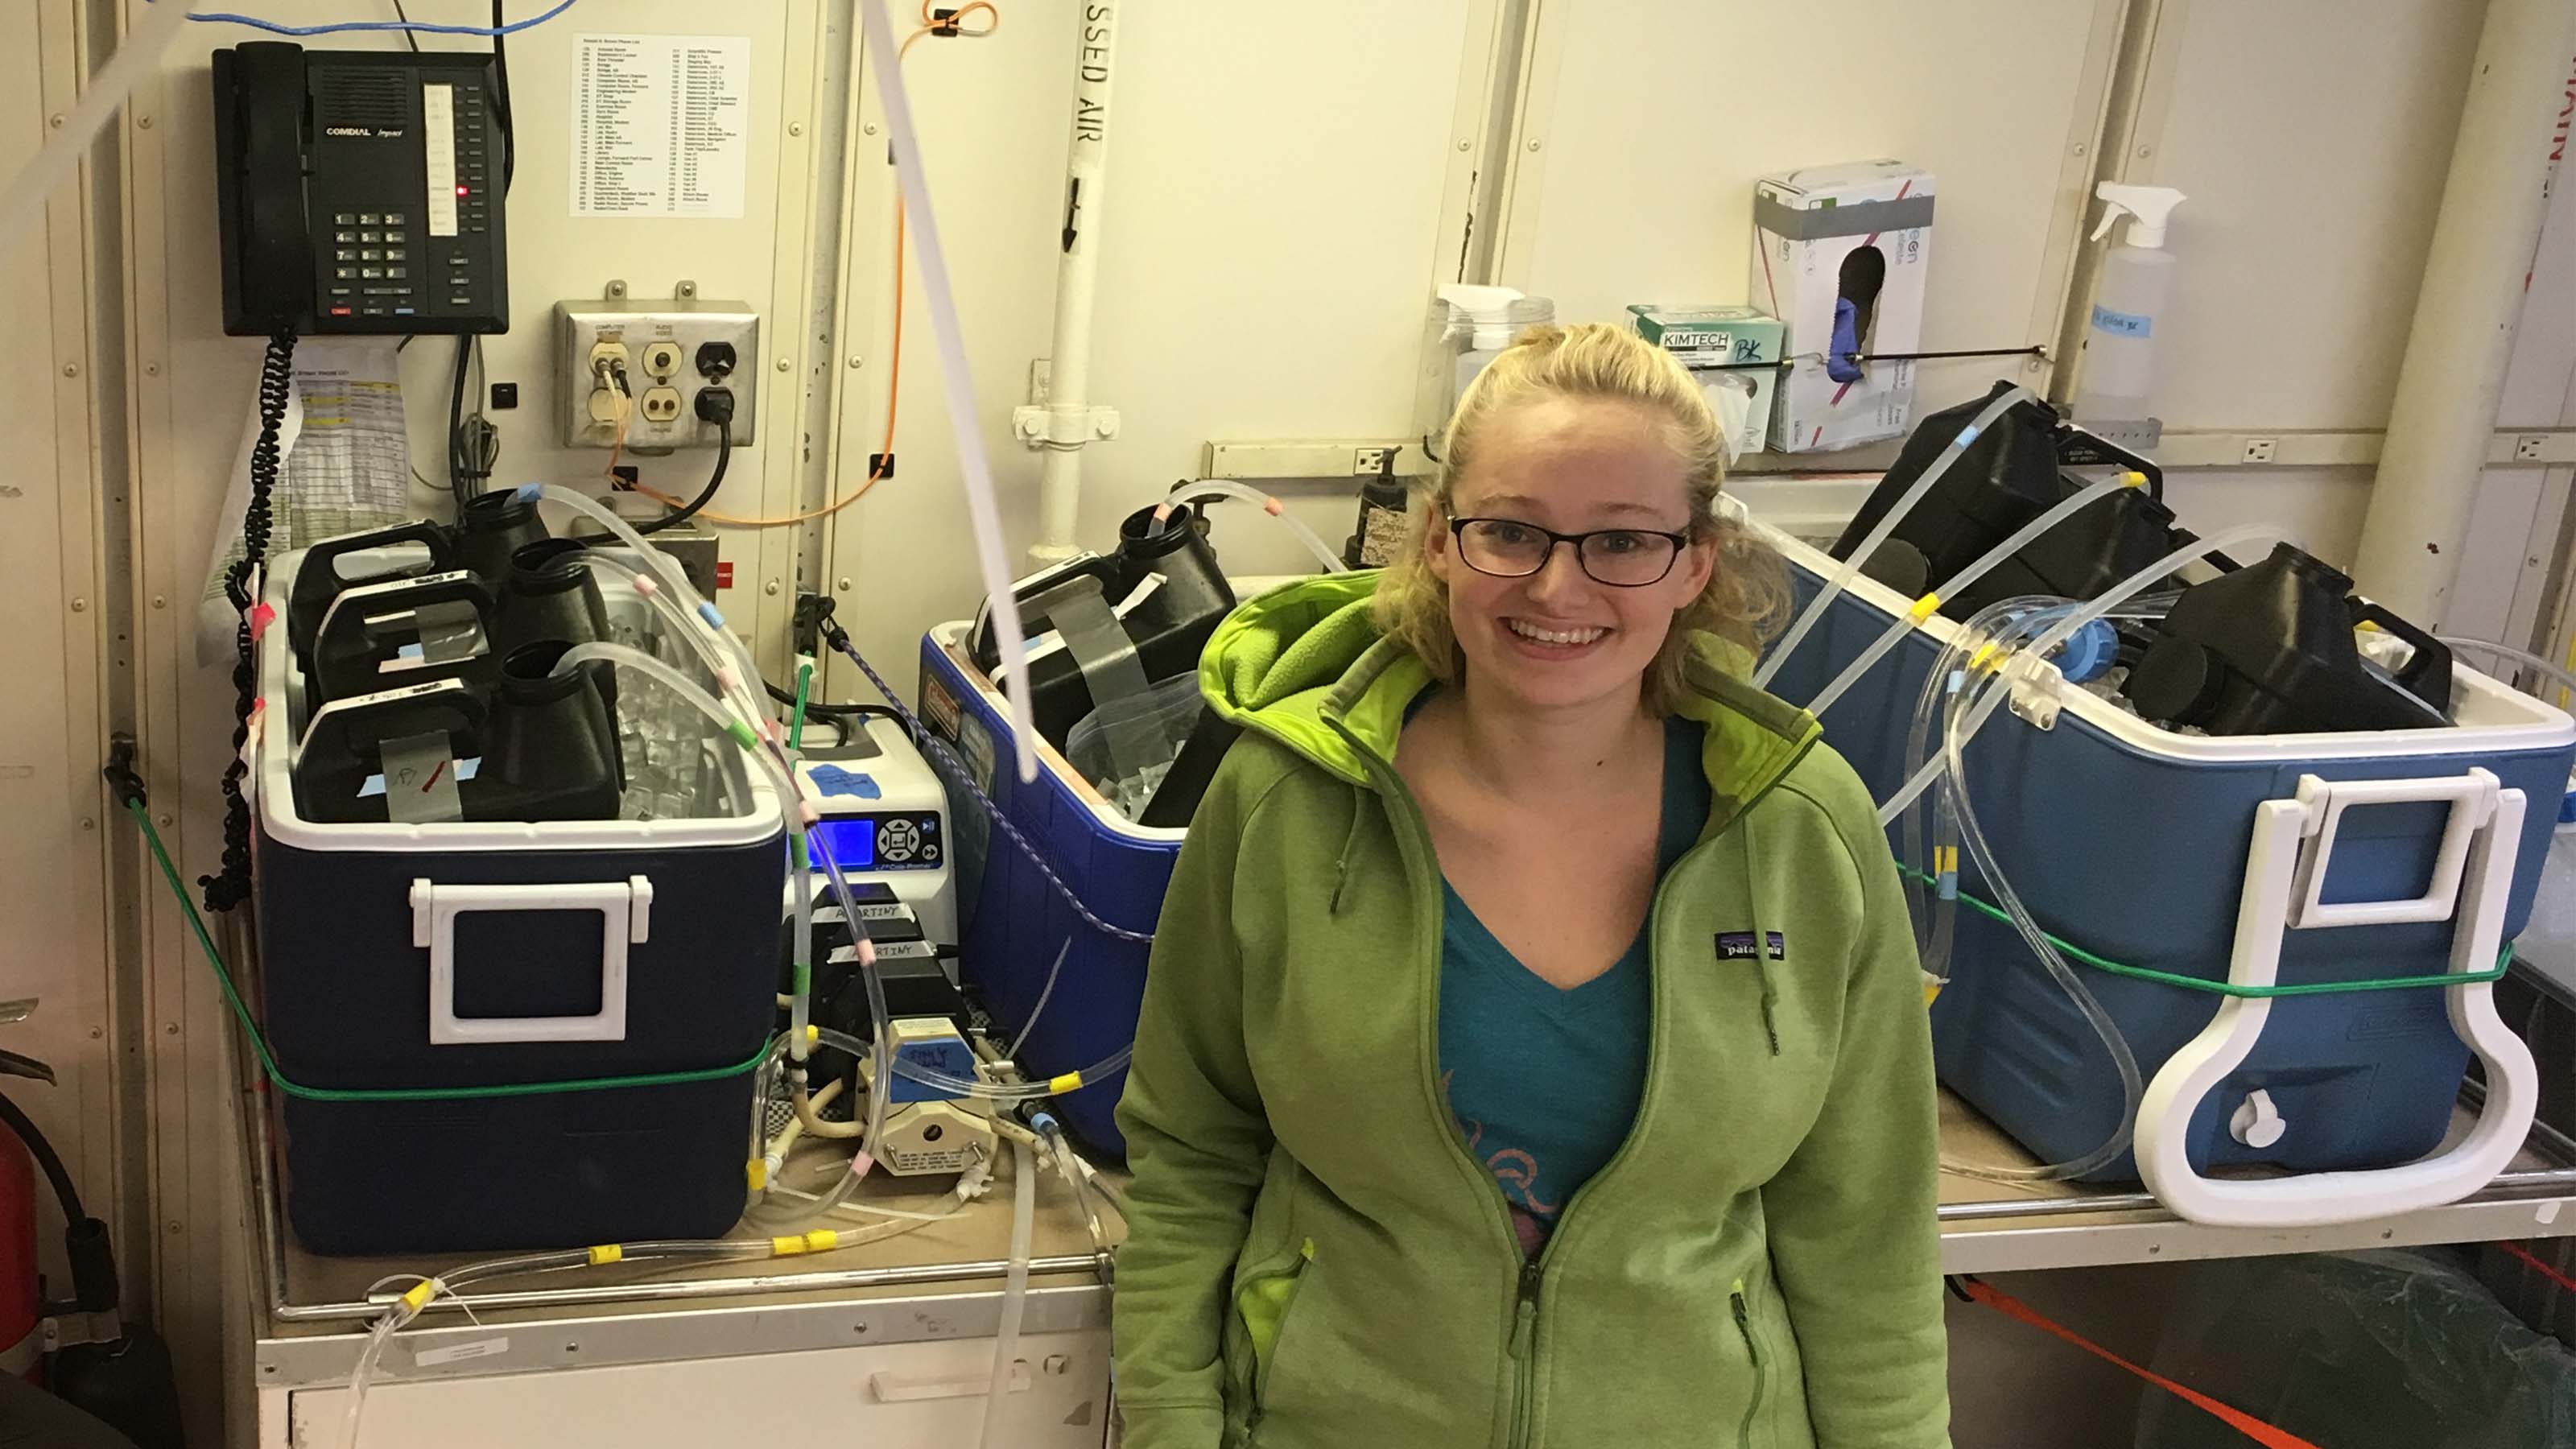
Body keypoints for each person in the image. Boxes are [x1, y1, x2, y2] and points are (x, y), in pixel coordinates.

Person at [1113, 322, 1948, 1448]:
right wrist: (1171, 1428)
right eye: (1510, 531)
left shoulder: (1801, 831)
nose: (1559, 587)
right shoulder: (1287, 801)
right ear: (1440, 542)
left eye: (1623, 541)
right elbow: (1191, 1149)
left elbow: (1867, 1233)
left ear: (1696, 563)